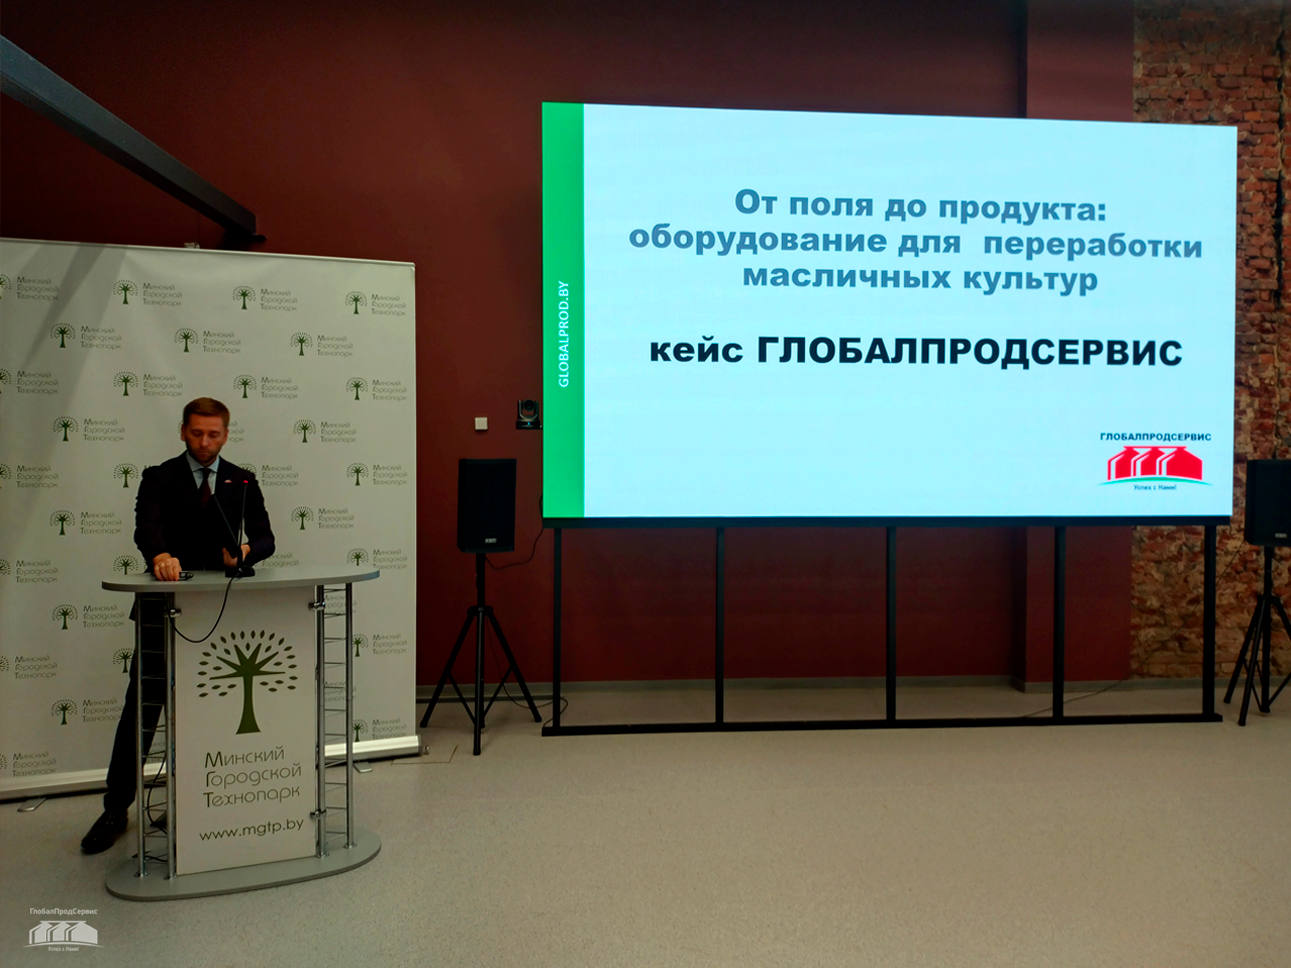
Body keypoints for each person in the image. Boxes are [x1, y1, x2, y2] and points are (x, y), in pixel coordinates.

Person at [80, 397, 275, 853]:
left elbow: (266, 538)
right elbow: (145, 528)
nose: (204, 442)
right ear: (183, 431)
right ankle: (115, 808)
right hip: (161, 606)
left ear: (226, 435)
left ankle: (197, 800)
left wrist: (246, 552)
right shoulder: (159, 477)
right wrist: (160, 554)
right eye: (197, 433)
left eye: (213, 434)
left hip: (220, 611)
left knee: (213, 709)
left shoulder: (243, 480)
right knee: (142, 709)